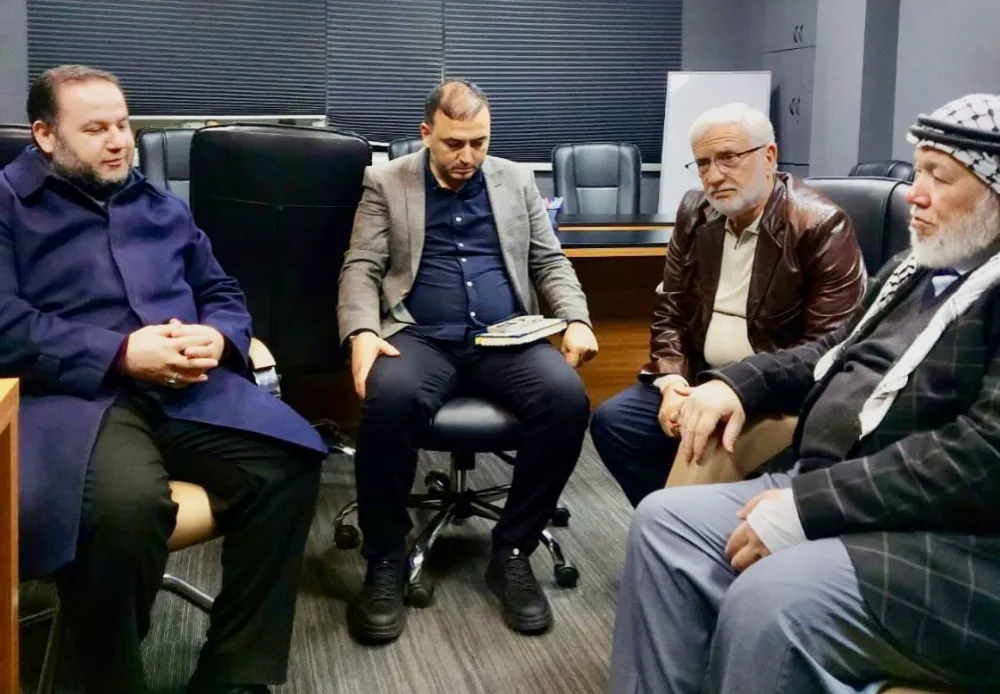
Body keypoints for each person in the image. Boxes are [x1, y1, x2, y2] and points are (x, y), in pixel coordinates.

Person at [608, 93, 1000, 693]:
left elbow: (983, 454)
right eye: (917, 172)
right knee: (663, 523)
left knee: (770, 599)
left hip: (940, 536)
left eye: (938, 178)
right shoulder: (916, 267)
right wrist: (735, 385)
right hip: (834, 479)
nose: (914, 194)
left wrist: (808, 506)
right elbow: (831, 350)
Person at [0, 65, 328, 694]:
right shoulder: (7, 204)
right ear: (44, 135)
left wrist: (220, 336)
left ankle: (234, 674)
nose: (118, 141)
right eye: (95, 129)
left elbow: (222, 292)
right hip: (75, 397)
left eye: (123, 125)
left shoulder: (160, 205)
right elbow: (5, 324)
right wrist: (120, 352)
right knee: (124, 509)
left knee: (291, 460)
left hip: (182, 387)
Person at [338, 79, 597, 642]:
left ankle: (513, 550)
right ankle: (385, 558)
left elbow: (550, 262)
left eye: (479, 142)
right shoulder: (387, 181)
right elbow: (362, 266)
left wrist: (576, 318)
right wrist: (361, 331)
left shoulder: (516, 179)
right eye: (454, 143)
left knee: (566, 400)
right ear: (426, 134)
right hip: (420, 335)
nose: (467, 156)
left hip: (506, 337)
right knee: (389, 400)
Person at [589, 102, 867, 507]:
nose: (714, 176)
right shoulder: (695, 212)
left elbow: (829, 348)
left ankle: (686, 522)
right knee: (617, 423)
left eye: (729, 157)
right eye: (703, 163)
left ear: (769, 156)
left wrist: (737, 386)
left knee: (703, 447)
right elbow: (670, 309)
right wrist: (672, 383)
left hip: (776, 390)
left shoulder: (820, 225)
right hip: (700, 378)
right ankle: (683, 524)